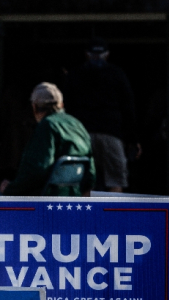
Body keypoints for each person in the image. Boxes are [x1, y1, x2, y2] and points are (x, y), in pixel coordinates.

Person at [63, 37, 136, 193]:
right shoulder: (117, 74)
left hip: (82, 135)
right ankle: (114, 216)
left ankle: (86, 216)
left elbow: (66, 107)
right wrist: (133, 139)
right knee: (115, 180)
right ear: (107, 54)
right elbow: (128, 107)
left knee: (83, 180)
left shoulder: (75, 74)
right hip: (111, 134)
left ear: (86, 54)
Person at [0, 83, 95, 196]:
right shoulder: (77, 124)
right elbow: (91, 171)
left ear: (34, 107)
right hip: (74, 197)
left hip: (47, 199)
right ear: (61, 104)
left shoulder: (46, 126)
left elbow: (36, 170)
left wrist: (10, 188)